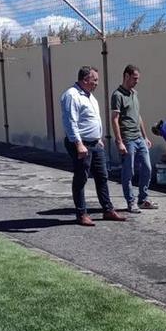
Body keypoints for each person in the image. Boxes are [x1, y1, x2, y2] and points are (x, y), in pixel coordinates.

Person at [60, 66, 126, 226]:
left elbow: (91, 120)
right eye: (94, 79)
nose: (97, 83)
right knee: (81, 178)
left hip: (95, 144)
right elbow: (70, 122)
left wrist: (98, 138)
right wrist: (79, 144)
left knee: (102, 176)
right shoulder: (72, 95)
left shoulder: (90, 97)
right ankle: (81, 213)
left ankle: (107, 210)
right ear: (85, 80)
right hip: (81, 144)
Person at [111, 64, 157, 213]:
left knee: (147, 168)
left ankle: (143, 199)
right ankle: (130, 202)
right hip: (127, 139)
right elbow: (115, 119)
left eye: (138, 79)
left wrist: (145, 137)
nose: (137, 81)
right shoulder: (117, 95)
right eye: (134, 78)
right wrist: (119, 141)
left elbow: (138, 116)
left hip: (139, 138)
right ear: (126, 76)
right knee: (128, 171)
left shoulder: (134, 93)